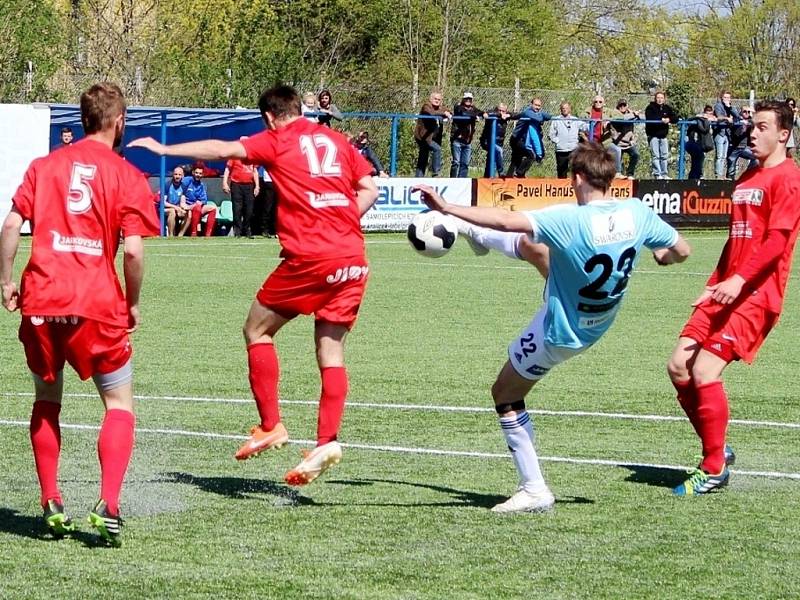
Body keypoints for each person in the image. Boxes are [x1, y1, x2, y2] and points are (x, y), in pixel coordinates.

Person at [413, 142, 690, 514]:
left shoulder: (570, 220)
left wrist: (447, 207)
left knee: (505, 394)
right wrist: (663, 256)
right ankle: (471, 233)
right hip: (599, 315)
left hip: (561, 330)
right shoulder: (637, 212)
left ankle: (534, 489)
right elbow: (681, 251)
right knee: (535, 246)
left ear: (576, 178)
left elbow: (506, 218)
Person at [128, 84, 379, 486]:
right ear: (301, 108)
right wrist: (343, 220)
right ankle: (325, 440)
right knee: (331, 351)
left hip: (312, 257)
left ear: (268, 116)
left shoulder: (278, 139)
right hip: (353, 258)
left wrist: (165, 150)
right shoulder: (336, 140)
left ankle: (271, 425)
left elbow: (222, 149)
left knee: (257, 329)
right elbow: (370, 189)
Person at [0, 82, 160, 546]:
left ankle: (51, 500)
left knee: (48, 399)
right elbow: (132, 251)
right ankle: (108, 505)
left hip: (43, 301)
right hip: (96, 302)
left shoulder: (43, 166)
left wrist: (7, 282)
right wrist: (132, 301)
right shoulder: (126, 174)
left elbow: (11, 225)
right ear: (118, 122)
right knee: (119, 405)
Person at [667, 100, 800, 497]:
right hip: (726, 288)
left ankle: (712, 468)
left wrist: (740, 281)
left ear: (784, 134)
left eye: (762, 127)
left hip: (757, 294)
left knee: (706, 371)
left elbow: (777, 242)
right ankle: (717, 449)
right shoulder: (747, 177)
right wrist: (716, 281)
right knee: (678, 366)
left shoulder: (789, 178)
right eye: (752, 127)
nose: (752, 133)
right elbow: (736, 239)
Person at [222, 138, 260, 238]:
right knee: (237, 208)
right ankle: (237, 231)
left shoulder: (253, 156)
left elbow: (255, 171)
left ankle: (247, 230)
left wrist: (257, 186)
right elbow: (227, 170)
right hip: (236, 184)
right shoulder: (234, 156)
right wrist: (225, 183)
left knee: (249, 209)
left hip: (249, 185)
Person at [507, 97, 552, 178]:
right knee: (531, 155)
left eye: (539, 106)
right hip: (517, 138)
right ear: (531, 104)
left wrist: (541, 114)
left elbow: (548, 116)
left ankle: (513, 176)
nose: (537, 107)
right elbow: (538, 118)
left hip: (522, 140)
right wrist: (541, 118)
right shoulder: (527, 112)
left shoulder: (537, 112)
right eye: (535, 105)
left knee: (516, 158)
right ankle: (519, 173)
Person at [414, 91, 451, 177]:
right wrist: (444, 113)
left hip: (432, 137)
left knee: (423, 157)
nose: (437, 101)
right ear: (430, 99)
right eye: (435, 99)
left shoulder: (439, 108)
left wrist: (447, 113)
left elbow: (448, 111)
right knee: (437, 149)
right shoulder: (426, 106)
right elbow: (431, 113)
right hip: (423, 136)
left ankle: (418, 177)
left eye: (439, 99)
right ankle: (436, 173)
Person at [449, 92, 485, 177]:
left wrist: (483, 114)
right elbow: (463, 113)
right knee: (456, 162)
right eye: (466, 99)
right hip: (457, 139)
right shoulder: (458, 107)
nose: (468, 100)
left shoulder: (473, 109)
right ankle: (452, 181)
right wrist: (475, 116)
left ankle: (462, 181)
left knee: (465, 163)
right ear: (463, 99)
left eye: (470, 99)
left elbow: (480, 112)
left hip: (467, 141)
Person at [548, 101, 587, 179]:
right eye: (563, 108)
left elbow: (585, 127)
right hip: (561, 150)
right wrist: (557, 141)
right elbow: (551, 134)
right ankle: (561, 188)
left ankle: (575, 187)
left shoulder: (575, 120)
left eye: (566, 108)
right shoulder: (556, 120)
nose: (565, 110)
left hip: (573, 149)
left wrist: (595, 123)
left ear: (570, 109)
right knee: (562, 170)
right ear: (560, 109)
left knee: (576, 169)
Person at [644, 91, 678, 179]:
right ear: (655, 98)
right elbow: (650, 117)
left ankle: (664, 174)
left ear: (664, 99)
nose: (660, 99)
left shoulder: (667, 108)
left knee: (664, 155)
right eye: (658, 98)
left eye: (661, 98)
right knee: (656, 155)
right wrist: (661, 119)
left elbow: (675, 118)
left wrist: (669, 119)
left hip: (663, 136)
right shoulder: (650, 107)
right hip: (653, 135)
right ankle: (657, 174)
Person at [179, 161, 217, 237]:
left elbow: (203, 201)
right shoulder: (186, 181)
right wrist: (184, 205)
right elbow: (181, 193)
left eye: (200, 173)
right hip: (185, 207)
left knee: (212, 208)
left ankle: (208, 234)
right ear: (193, 172)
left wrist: (193, 205)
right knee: (197, 207)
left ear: (202, 175)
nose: (198, 175)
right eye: (196, 173)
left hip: (195, 207)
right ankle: (194, 233)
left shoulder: (202, 186)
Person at [607, 99, 641, 179]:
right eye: (620, 105)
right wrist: (633, 114)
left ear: (627, 106)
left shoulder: (631, 114)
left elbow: (642, 117)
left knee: (635, 154)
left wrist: (637, 114)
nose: (622, 107)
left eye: (624, 105)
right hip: (616, 143)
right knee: (618, 156)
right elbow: (622, 119)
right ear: (618, 107)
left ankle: (630, 173)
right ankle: (618, 174)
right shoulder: (615, 114)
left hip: (628, 143)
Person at [479, 103, 512, 177]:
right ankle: (501, 172)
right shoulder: (493, 114)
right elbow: (489, 113)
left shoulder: (505, 116)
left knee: (492, 158)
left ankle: (487, 176)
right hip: (488, 141)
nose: (501, 112)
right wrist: (500, 115)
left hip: (499, 143)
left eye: (503, 111)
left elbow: (516, 115)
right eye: (499, 110)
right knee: (498, 151)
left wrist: (508, 115)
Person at [685, 105, 716, 179]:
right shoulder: (699, 119)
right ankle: (696, 176)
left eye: (710, 113)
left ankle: (695, 176)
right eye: (707, 113)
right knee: (698, 158)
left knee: (699, 159)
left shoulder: (710, 120)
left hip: (702, 144)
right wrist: (701, 117)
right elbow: (689, 121)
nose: (708, 115)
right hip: (693, 142)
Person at [726, 106, 758, 180]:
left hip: (744, 148)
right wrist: (742, 126)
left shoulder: (751, 121)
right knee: (731, 169)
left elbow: (760, 118)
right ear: (741, 112)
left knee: (756, 158)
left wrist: (753, 111)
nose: (747, 113)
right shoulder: (736, 120)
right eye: (744, 111)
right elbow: (736, 134)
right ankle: (729, 182)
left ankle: (746, 175)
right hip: (734, 147)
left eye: (748, 112)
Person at [713, 91, 737, 179]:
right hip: (720, 133)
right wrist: (727, 119)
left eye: (728, 97)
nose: (727, 99)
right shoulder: (718, 106)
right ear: (722, 98)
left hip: (727, 133)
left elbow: (737, 116)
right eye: (725, 97)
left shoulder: (731, 107)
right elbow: (718, 117)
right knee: (719, 155)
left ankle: (722, 175)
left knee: (724, 156)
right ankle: (718, 175)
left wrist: (729, 108)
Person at [162, 166, 188, 236]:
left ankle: (180, 235)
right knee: (172, 211)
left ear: (182, 176)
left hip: (177, 207)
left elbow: (182, 202)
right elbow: (163, 203)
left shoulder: (184, 186)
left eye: (179, 175)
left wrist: (185, 208)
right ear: (173, 175)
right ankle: (171, 235)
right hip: (164, 209)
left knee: (189, 213)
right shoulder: (167, 185)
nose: (177, 176)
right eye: (176, 174)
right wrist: (176, 208)